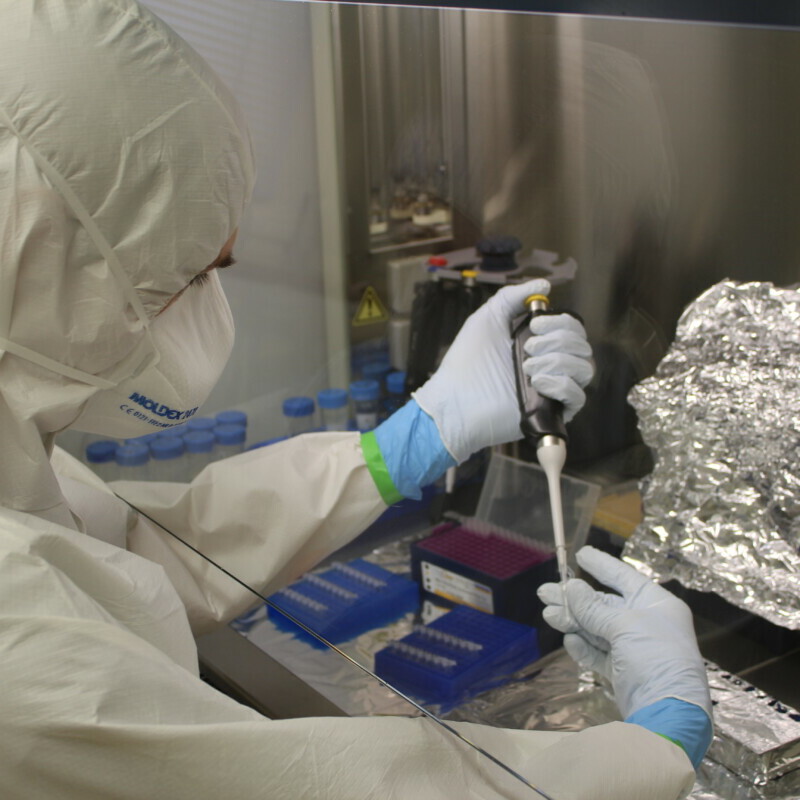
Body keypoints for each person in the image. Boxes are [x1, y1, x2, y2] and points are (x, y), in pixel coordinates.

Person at [0, 2, 710, 798]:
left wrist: (415, 438)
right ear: (40, 276)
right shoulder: (20, 663)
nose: (213, 307)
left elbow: (127, 558)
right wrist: (660, 744)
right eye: (193, 275)